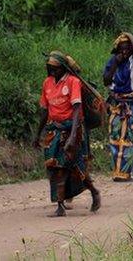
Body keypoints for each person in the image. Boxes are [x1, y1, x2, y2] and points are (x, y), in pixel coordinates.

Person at [33, 52, 101, 217]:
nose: (52, 72)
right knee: (55, 167)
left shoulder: (73, 82)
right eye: (50, 69)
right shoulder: (47, 83)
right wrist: (38, 134)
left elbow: (77, 110)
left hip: (73, 129)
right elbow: (45, 111)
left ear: (63, 68)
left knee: (77, 167)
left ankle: (93, 191)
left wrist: (72, 137)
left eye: (56, 69)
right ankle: (60, 205)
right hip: (53, 130)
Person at [102, 32, 133, 181]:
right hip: (116, 103)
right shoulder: (112, 61)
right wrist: (115, 62)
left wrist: (128, 35)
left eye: (128, 48)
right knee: (115, 137)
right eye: (122, 48)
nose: (125, 51)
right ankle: (120, 171)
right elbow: (106, 81)